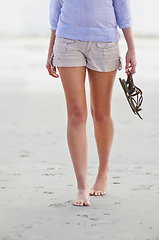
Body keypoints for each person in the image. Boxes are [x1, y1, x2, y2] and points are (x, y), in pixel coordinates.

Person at [46, 0, 137, 207]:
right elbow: (55, 9)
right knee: (77, 115)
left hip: (105, 42)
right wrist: (50, 49)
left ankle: (102, 172)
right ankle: (82, 186)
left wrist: (131, 47)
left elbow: (122, 7)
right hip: (67, 42)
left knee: (101, 114)